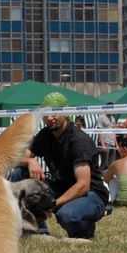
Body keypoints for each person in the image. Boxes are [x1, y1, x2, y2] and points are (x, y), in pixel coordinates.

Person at [18, 92, 109, 239]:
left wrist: (53, 204)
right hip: (60, 187)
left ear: (66, 113)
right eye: (46, 114)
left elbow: (83, 185)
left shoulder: (79, 141)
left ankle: (86, 227)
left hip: (92, 193)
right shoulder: (45, 135)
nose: (50, 118)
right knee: (19, 175)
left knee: (66, 215)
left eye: (55, 113)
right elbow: (16, 157)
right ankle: (39, 232)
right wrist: (30, 161)